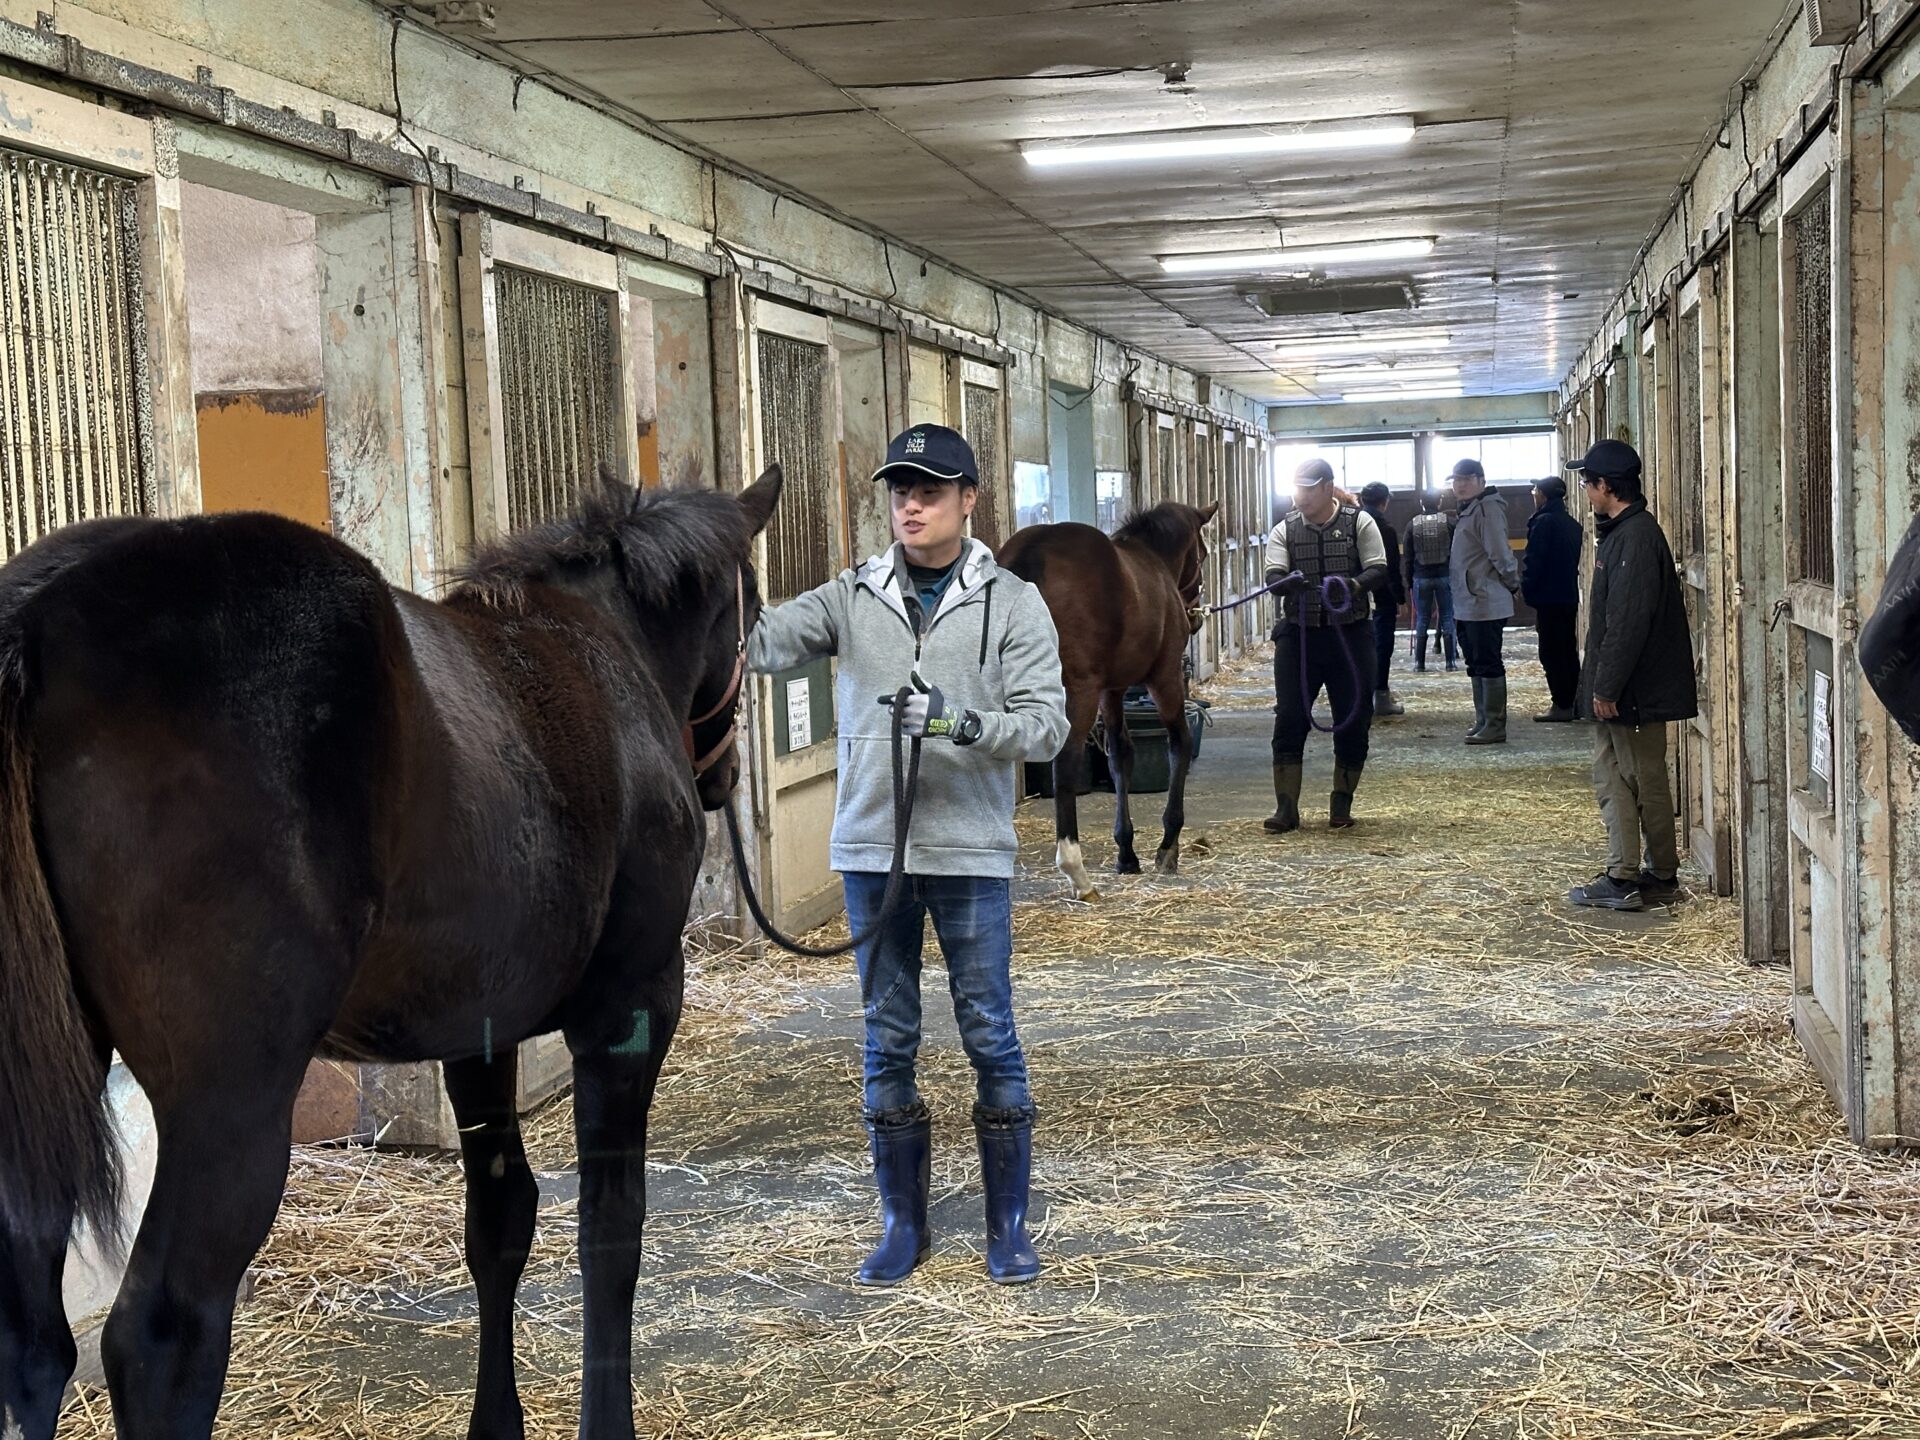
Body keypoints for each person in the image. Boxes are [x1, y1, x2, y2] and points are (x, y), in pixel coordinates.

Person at [746, 422, 1069, 1284]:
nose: (911, 505)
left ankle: (1007, 1227)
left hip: (969, 852)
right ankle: (901, 1224)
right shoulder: (853, 595)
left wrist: (961, 723)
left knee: (989, 1034)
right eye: (899, 491)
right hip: (871, 853)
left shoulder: (1012, 602)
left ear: (970, 500)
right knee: (886, 1040)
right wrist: (717, 562)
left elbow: (1046, 730)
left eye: (929, 490)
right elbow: (763, 646)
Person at [1564, 439, 1697, 912]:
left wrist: (1606, 686)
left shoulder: (1635, 539)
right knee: (1614, 775)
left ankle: (1655, 874)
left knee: (1642, 777)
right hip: (1624, 686)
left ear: (1606, 486)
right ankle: (1627, 871)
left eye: (1587, 481)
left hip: (1631, 690)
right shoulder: (1621, 533)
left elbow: (1628, 620)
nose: (1583, 488)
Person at [1263, 457, 1389, 833]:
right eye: (1296, 488)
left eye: (1306, 489)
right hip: (1300, 635)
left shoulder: (1359, 522)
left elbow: (1379, 568)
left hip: (1349, 635)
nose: (1298, 496)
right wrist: (1288, 584)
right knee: (1289, 718)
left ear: (1325, 487)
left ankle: (1341, 801)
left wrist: (1353, 585)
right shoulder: (1284, 529)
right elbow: (1273, 573)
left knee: (1353, 717)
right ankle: (1286, 807)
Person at [1448, 458, 1521, 744]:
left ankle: (1494, 723)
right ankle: (1483, 719)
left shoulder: (1488, 508)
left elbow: (1500, 553)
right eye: (1456, 480)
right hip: (1469, 600)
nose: (1460, 485)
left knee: (1488, 661)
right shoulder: (1470, 509)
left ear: (1481, 480)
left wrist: (1513, 582)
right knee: (1475, 662)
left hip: (1485, 600)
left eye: (1466, 479)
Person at [1523, 476, 1584, 723]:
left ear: (1543, 495)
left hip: (1549, 596)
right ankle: (1572, 701)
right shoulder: (1570, 523)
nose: (1533, 494)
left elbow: (1534, 560)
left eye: (1535, 490)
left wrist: (1526, 588)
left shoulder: (1544, 522)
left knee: (1551, 652)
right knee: (1567, 649)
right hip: (1567, 594)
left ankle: (1561, 703)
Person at [1358, 482, 1406, 717]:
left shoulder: (1353, 524)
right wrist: (1399, 595)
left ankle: (1359, 697)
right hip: (1382, 594)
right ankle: (1381, 697)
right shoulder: (1385, 529)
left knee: (1358, 645)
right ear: (1384, 501)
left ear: (1361, 499)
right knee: (1382, 646)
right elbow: (1391, 567)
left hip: (1357, 594)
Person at [1403, 492, 1457, 671]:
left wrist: (1408, 581)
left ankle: (1419, 663)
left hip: (1421, 577)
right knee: (1448, 616)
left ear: (1421, 502)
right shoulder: (1449, 522)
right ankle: (1450, 662)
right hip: (1444, 575)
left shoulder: (1413, 524)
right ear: (1440, 501)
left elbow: (1408, 557)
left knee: (1422, 619)